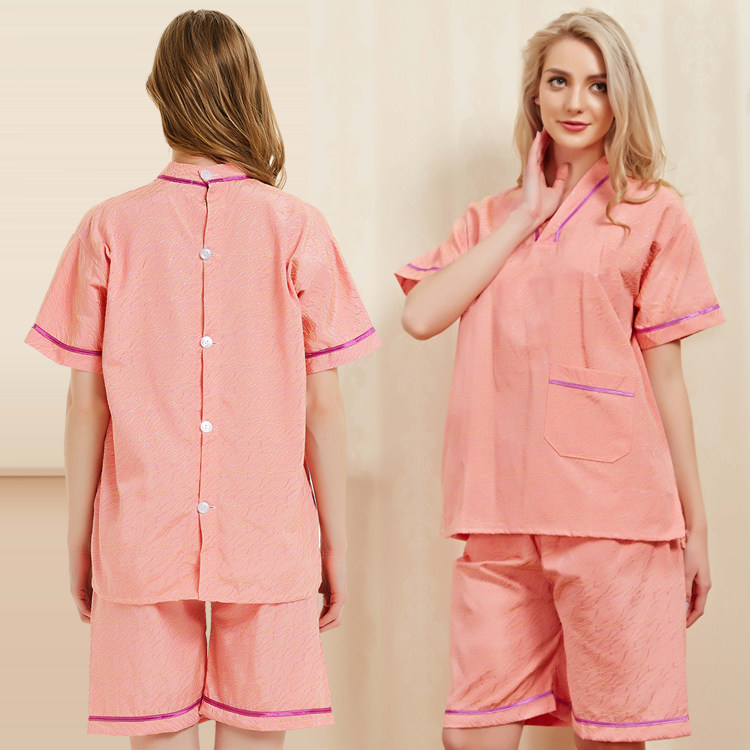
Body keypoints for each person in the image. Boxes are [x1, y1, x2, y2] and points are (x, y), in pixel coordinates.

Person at [24, 9, 379, 749]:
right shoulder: (299, 227)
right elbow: (324, 407)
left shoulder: (108, 228)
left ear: (160, 94)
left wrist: (80, 539)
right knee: (257, 733)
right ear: (250, 90)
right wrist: (334, 548)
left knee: (156, 734)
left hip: (139, 531)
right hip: (271, 533)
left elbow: (85, 406)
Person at [395, 8, 724, 750]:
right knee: (470, 733)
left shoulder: (654, 213)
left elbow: (667, 378)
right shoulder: (488, 218)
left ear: (621, 97)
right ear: (535, 94)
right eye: (559, 82)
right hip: (500, 514)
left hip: (616, 518)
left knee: (611, 737)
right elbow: (420, 315)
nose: (577, 102)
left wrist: (695, 528)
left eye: (598, 85)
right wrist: (524, 217)